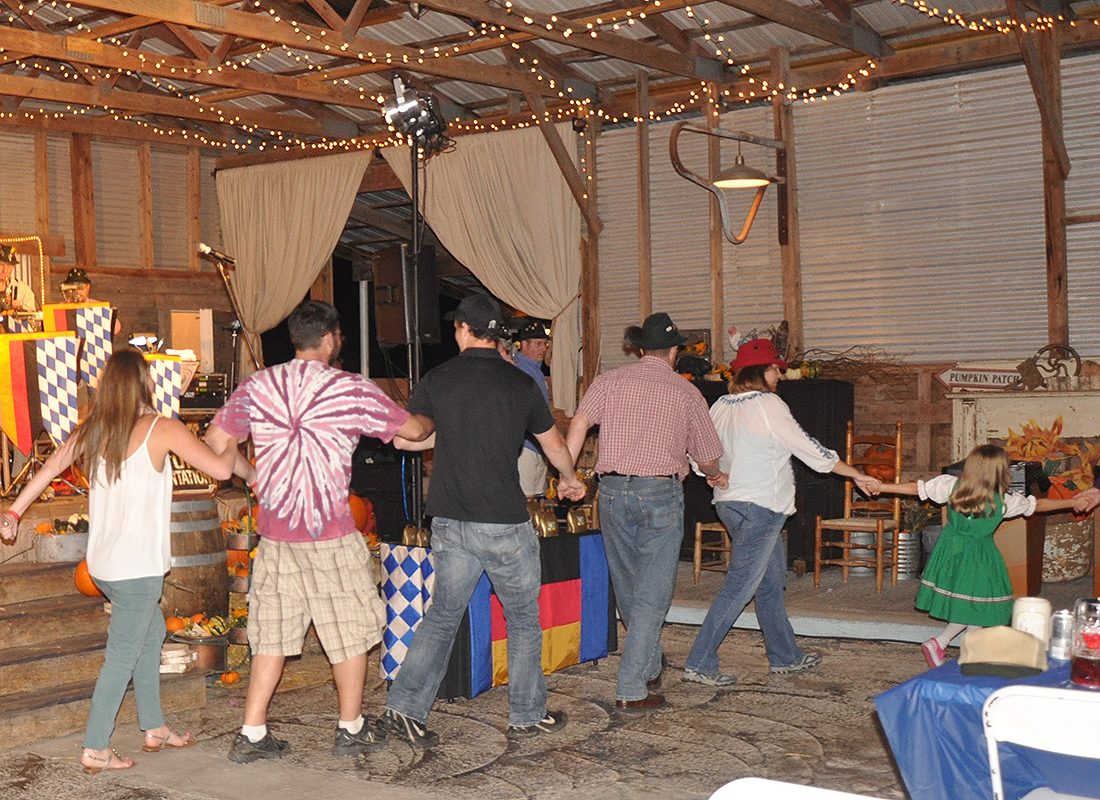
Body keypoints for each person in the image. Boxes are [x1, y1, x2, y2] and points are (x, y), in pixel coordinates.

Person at [0, 348, 250, 773]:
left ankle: (154, 727)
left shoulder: (94, 430)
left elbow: (47, 469)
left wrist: (13, 512)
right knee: (120, 657)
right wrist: (233, 443)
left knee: (151, 636)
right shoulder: (162, 429)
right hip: (137, 571)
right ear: (144, 384)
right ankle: (95, 746)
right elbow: (221, 471)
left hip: (104, 566)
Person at [205, 300, 432, 763]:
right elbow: (411, 431)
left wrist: (251, 475)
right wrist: (434, 420)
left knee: (272, 635)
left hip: (276, 537)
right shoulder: (350, 389)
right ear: (330, 338)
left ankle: (251, 733)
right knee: (349, 632)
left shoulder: (258, 385)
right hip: (329, 534)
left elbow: (215, 444)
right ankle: (350, 726)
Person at [381, 293, 585, 746]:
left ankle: (404, 708)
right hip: (503, 522)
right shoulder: (520, 385)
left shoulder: (439, 378)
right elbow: (553, 446)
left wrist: (402, 429)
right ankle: (527, 714)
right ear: (497, 336)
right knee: (523, 620)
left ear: (463, 330)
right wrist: (570, 479)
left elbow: (413, 438)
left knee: (441, 615)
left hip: (450, 520)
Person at [682, 339, 880, 686]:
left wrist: (711, 475)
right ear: (762, 371)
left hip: (730, 504)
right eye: (776, 369)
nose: (780, 376)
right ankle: (700, 661)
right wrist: (857, 474)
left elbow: (697, 453)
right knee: (739, 587)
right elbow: (810, 449)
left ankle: (785, 656)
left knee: (770, 584)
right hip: (762, 506)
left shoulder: (720, 406)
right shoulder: (769, 404)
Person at [565, 312, 725, 710]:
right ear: (674, 351)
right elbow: (707, 454)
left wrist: (567, 474)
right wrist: (714, 474)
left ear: (639, 348)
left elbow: (580, 422)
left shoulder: (608, 382)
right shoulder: (686, 392)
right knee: (653, 593)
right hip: (659, 493)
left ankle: (649, 662)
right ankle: (632, 687)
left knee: (627, 584)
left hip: (614, 492)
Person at [875, 443, 1084, 668]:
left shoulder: (951, 486)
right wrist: (1072, 502)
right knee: (978, 605)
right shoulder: (1002, 502)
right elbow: (1038, 505)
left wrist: (882, 486)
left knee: (974, 605)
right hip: (979, 558)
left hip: (950, 552)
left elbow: (917, 488)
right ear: (999, 471)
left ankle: (968, 652)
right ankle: (941, 642)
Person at [512, 317, 553, 498]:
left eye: (545, 344)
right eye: (538, 343)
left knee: (536, 498)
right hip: (525, 446)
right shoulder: (518, 370)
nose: (543, 348)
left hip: (538, 444)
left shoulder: (536, 371)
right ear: (524, 345)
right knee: (525, 498)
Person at [60, 267, 121, 336]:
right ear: (67, 289)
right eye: (72, 288)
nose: (77, 292)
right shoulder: (59, 309)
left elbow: (116, 328)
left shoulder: (98, 306)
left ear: (88, 287)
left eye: (81, 287)